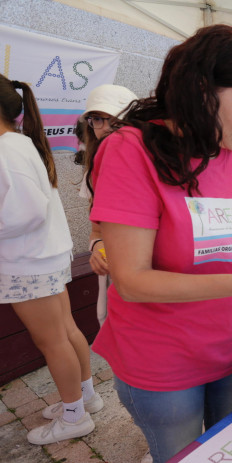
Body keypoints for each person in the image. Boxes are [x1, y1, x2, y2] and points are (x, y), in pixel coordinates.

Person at [89, 25, 232, 463]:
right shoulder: (129, 152)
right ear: (202, 91)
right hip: (163, 360)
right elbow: (131, 281)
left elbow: (230, 241)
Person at [0, 76, 102, 444]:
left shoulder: (6, 149)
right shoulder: (18, 143)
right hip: (42, 256)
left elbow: (26, 212)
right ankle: (84, 398)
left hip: (28, 261)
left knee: (53, 340)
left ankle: (74, 415)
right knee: (65, 331)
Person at [79, 84, 138, 327]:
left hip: (155, 278)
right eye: (97, 120)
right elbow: (97, 229)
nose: (103, 129)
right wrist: (98, 247)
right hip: (118, 279)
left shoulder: (155, 166)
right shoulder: (93, 172)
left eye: (114, 121)